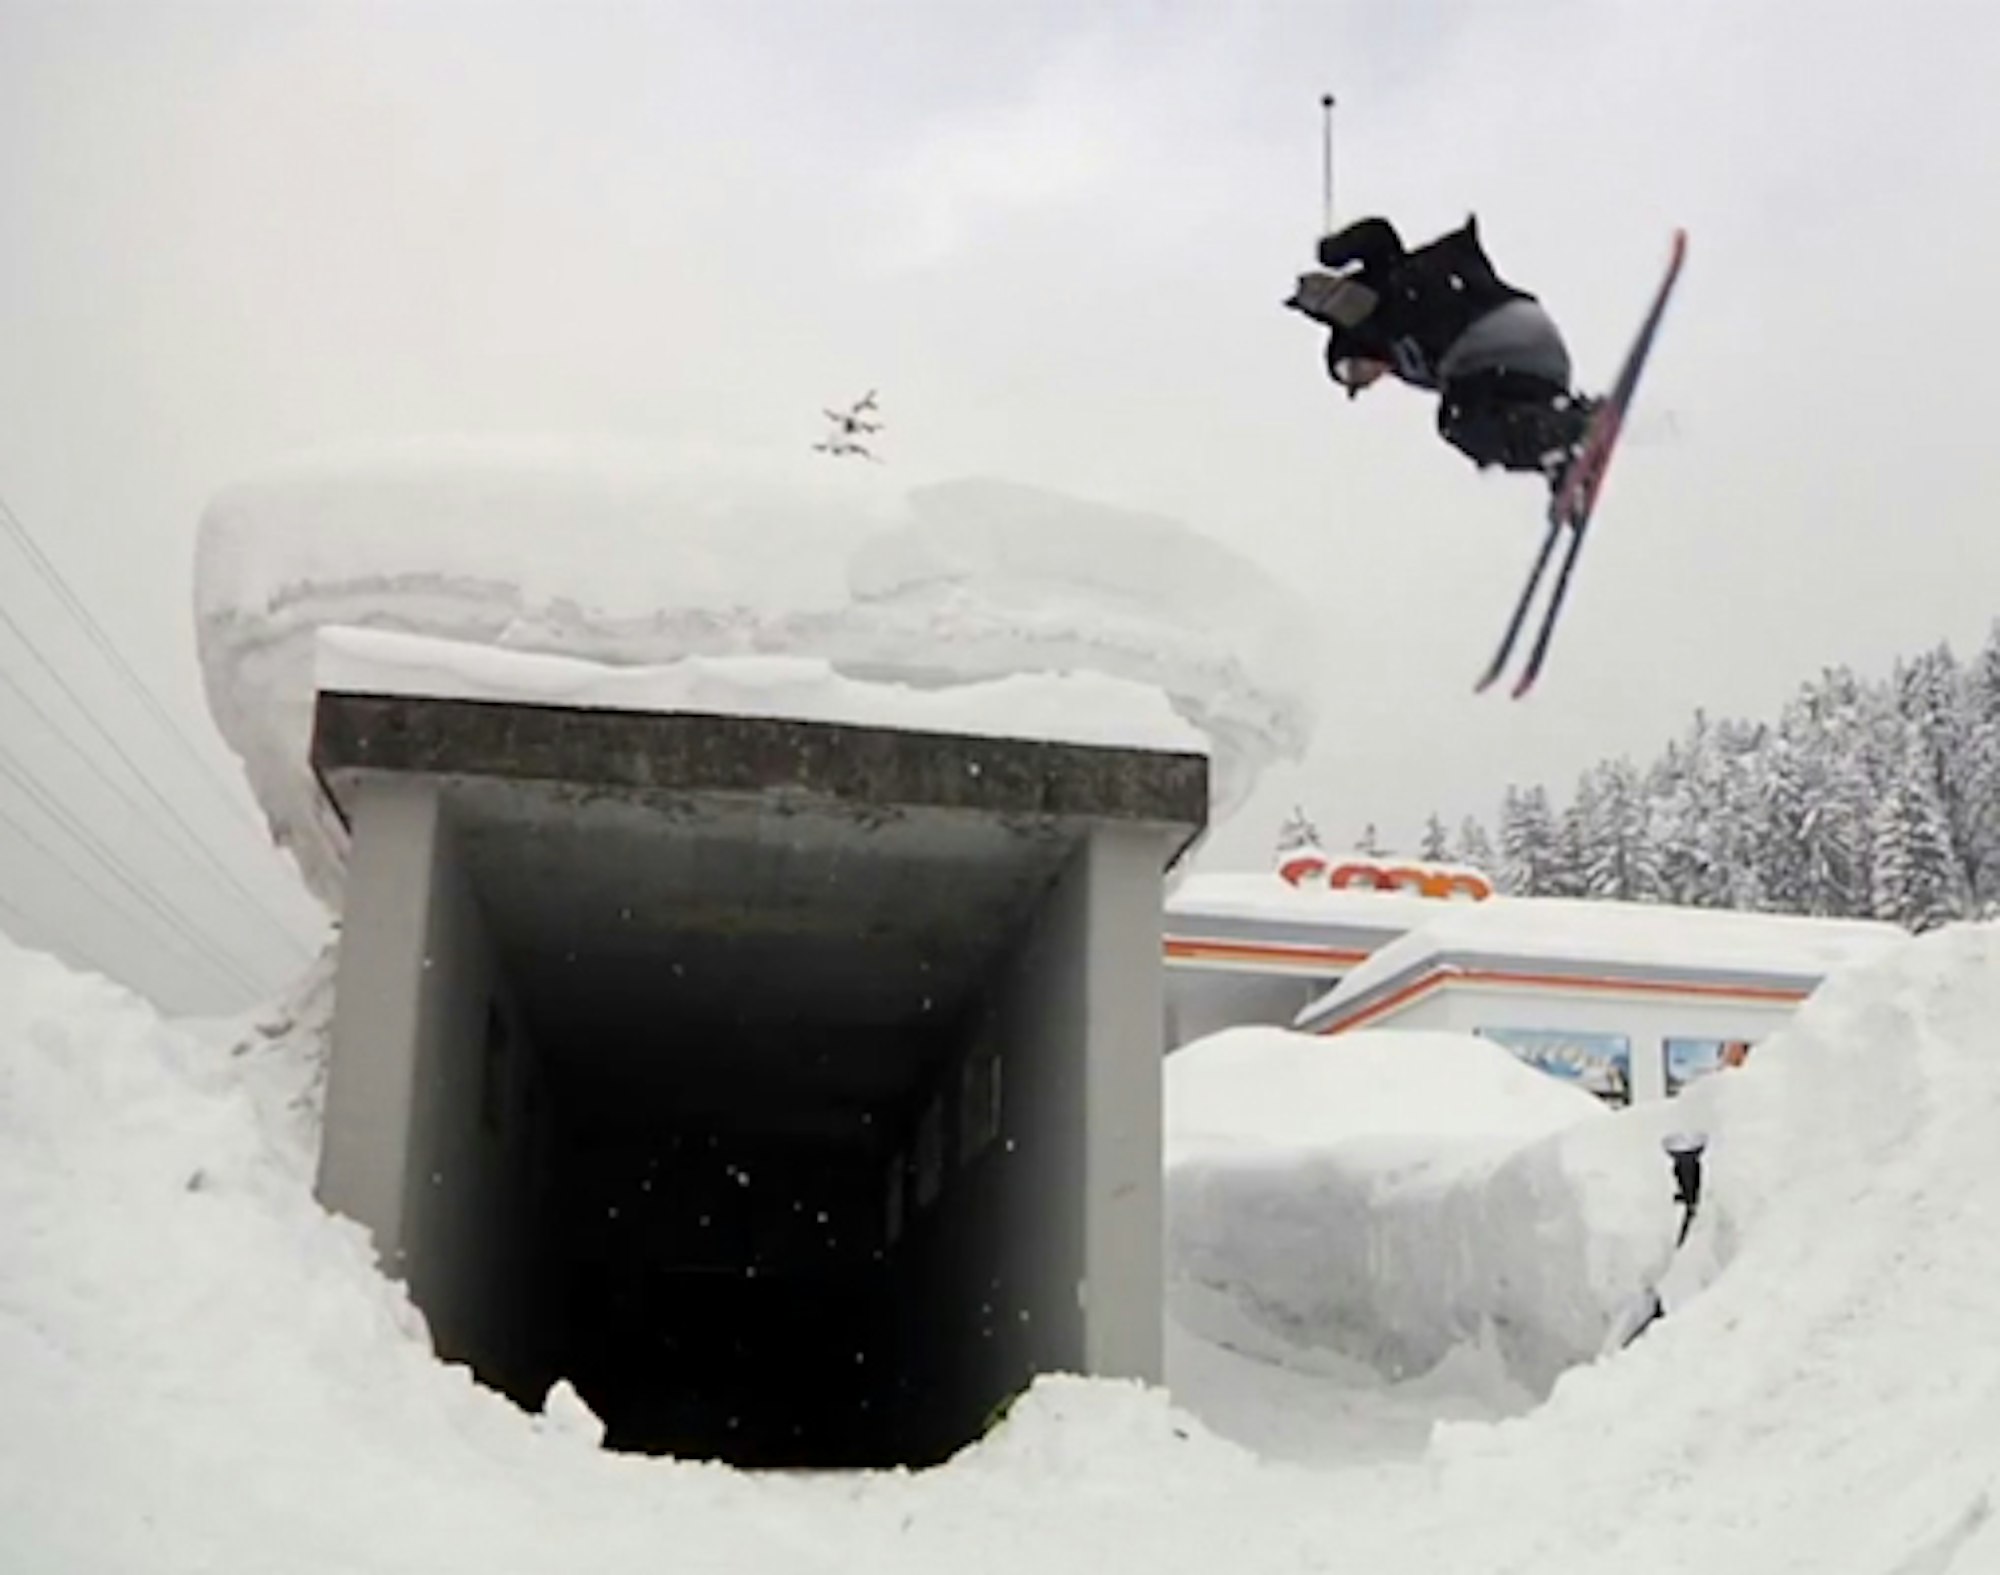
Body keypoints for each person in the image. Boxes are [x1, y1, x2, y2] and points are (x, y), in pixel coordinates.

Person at [1285, 213, 1596, 489]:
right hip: (1528, 361)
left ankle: (1564, 433)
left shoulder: (1378, 309)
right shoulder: (1408, 362)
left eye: (1349, 371)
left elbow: (1376, 237)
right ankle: (1559, 444)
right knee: (1483, 419)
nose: (1362, 380)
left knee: (1460, 421)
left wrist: (1333, 261)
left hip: (1496, 330)